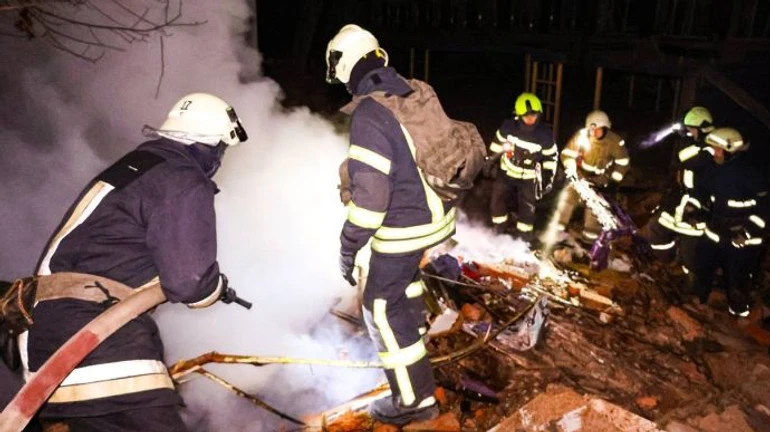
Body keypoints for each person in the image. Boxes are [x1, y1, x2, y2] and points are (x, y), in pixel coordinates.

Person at [19, 93, 248, 430]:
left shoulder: (136, 166)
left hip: (43, 341)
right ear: (211, 144)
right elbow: (189, 281)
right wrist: (215, 288)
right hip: (96, 338)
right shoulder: (182, 177)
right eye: (221, 150)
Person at [327, 24, 456, 425]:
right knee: (404, 287)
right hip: (437, 218)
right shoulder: (408, 94)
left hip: (405, 228)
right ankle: (414, 332)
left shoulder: (369, 113)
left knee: (379, 306)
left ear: (347, 67)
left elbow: (370, 204)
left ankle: (413, 402)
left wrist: (348, 247)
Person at [691, 127, 768, 317]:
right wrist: (696, 211)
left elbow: (765, 209)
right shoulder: (712, 170)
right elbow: (701, 194)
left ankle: (740, 318)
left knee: (737, 281)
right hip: (714, 233)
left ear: (730, 149)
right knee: (702, 269)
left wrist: (747, 232)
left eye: (717, 149)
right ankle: (698, 306)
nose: (714, 153)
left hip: (740, 239)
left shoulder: (750, 175)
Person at [644, 106, 715, 277]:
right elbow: (680, 166)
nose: (689, 132)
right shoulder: (697, 144)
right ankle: (666, 263)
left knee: (690, 255)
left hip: (697, 209)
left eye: (691, 129)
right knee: (655, 230)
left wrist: (686, 139)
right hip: (680, 200)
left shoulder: (711, 148)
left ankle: (694, 290)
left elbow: (690, 160)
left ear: (702, 129)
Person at [486, 92, 558, 244]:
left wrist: (547, 178)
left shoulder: (544, 135)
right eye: (527, 115)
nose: (531, 118)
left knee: (527, 209)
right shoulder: (508, 127)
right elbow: (496, 145)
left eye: (534, 115)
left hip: (529, 178)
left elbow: (551, 158)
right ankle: (499, 229)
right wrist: (490, 162)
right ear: (518, 115)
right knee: (496, 201)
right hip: (507, 172)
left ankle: (523, 240)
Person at [557, 109, 630, 244]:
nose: (594, 133)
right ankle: (557, 235)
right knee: (566, 201)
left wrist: (614, 182)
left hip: (600, 180)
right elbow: (566, 153)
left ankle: (588, 242)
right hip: (580, 177)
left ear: (605, 128)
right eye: (592, 129)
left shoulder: (614, 142)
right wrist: (571, 167)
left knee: (593, 209)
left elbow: (623, 162)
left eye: (598, 129)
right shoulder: (581, 136)